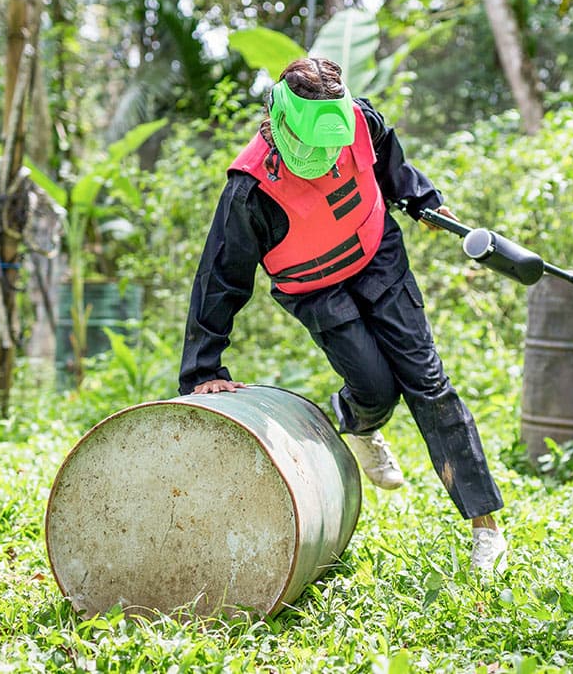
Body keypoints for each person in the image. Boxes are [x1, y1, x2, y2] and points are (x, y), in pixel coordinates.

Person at [178, 57, 506, 574]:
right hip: (315, 289)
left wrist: (422, 199)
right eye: (313, 146)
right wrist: (203, 371)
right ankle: (361, 422)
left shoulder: (360, 121)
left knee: (429, 382)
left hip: (378, 258)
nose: (325, 156)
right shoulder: (249, 190)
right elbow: (220, 278)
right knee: (375, 388)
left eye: (330, 144)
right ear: (281, 122)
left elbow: (390, 165)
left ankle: (485, 529)